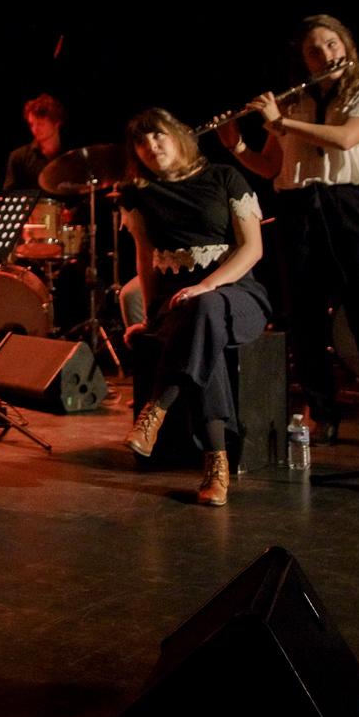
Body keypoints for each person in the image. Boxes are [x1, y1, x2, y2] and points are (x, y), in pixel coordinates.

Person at [217, 15, 359, 440]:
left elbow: (346, 138)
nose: (325, 54)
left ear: (346, 46)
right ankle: (322, 412)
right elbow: (270, 166)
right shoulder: (294, 102)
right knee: (305, 316)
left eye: (331, 44)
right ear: (304, 60)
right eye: (314, 50)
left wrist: (279, 122)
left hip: (350, 206)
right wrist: (237, 144)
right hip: (298, 208)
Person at [118, 108, 272, 505]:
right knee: (203, 330)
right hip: (178, 303)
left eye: (158, 135)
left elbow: (253, 248)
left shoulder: (224, 176)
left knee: (205, 311)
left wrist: (206, 284)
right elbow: (144, 258)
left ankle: (157, 407)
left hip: (237, 293)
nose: (150, 145)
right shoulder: (138, 193)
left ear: (179, 135)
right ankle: (216, 464)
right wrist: (152, 315)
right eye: (141, 141)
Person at [2, 93, 66, 192]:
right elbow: (9, 194)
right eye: (32, 124)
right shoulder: (18, 157)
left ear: (56, 123)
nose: (34, 129)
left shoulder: (72, 154)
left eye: (40, 124)